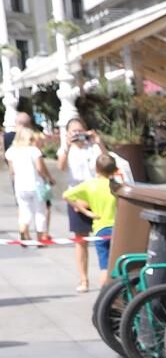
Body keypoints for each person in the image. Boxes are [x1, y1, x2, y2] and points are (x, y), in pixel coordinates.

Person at [59, 118, 106, 292]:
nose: (78, 135)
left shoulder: (92, 147)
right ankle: (83, 279)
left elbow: (107, 162)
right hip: (77, 194)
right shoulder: (67, 149)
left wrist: (98, 142)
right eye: (74, 132)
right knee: (81, 239)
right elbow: (61, 167)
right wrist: (66, 145)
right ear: (68, 133)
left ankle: (107, 277)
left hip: (97, 194)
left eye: (81, 131)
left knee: (105, 236)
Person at [63, 153, 122, 286]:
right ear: (114, 170)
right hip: (117, 229)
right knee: (117, 266)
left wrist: (86, 212)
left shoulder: (89, 185)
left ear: (96, 169)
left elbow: (66, 195)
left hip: (100, 229)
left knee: (104, 267)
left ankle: (104, 296)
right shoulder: (117, 187)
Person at [6, 128, 53, 243]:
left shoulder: (11, 151)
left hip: (20, 185)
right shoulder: (34, 150)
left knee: (24, 210)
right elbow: (39, 168)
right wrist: (47, 178)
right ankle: (40, 238)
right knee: (40, 211)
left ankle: (23, 230)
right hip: (36, 184)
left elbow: (12, 171)